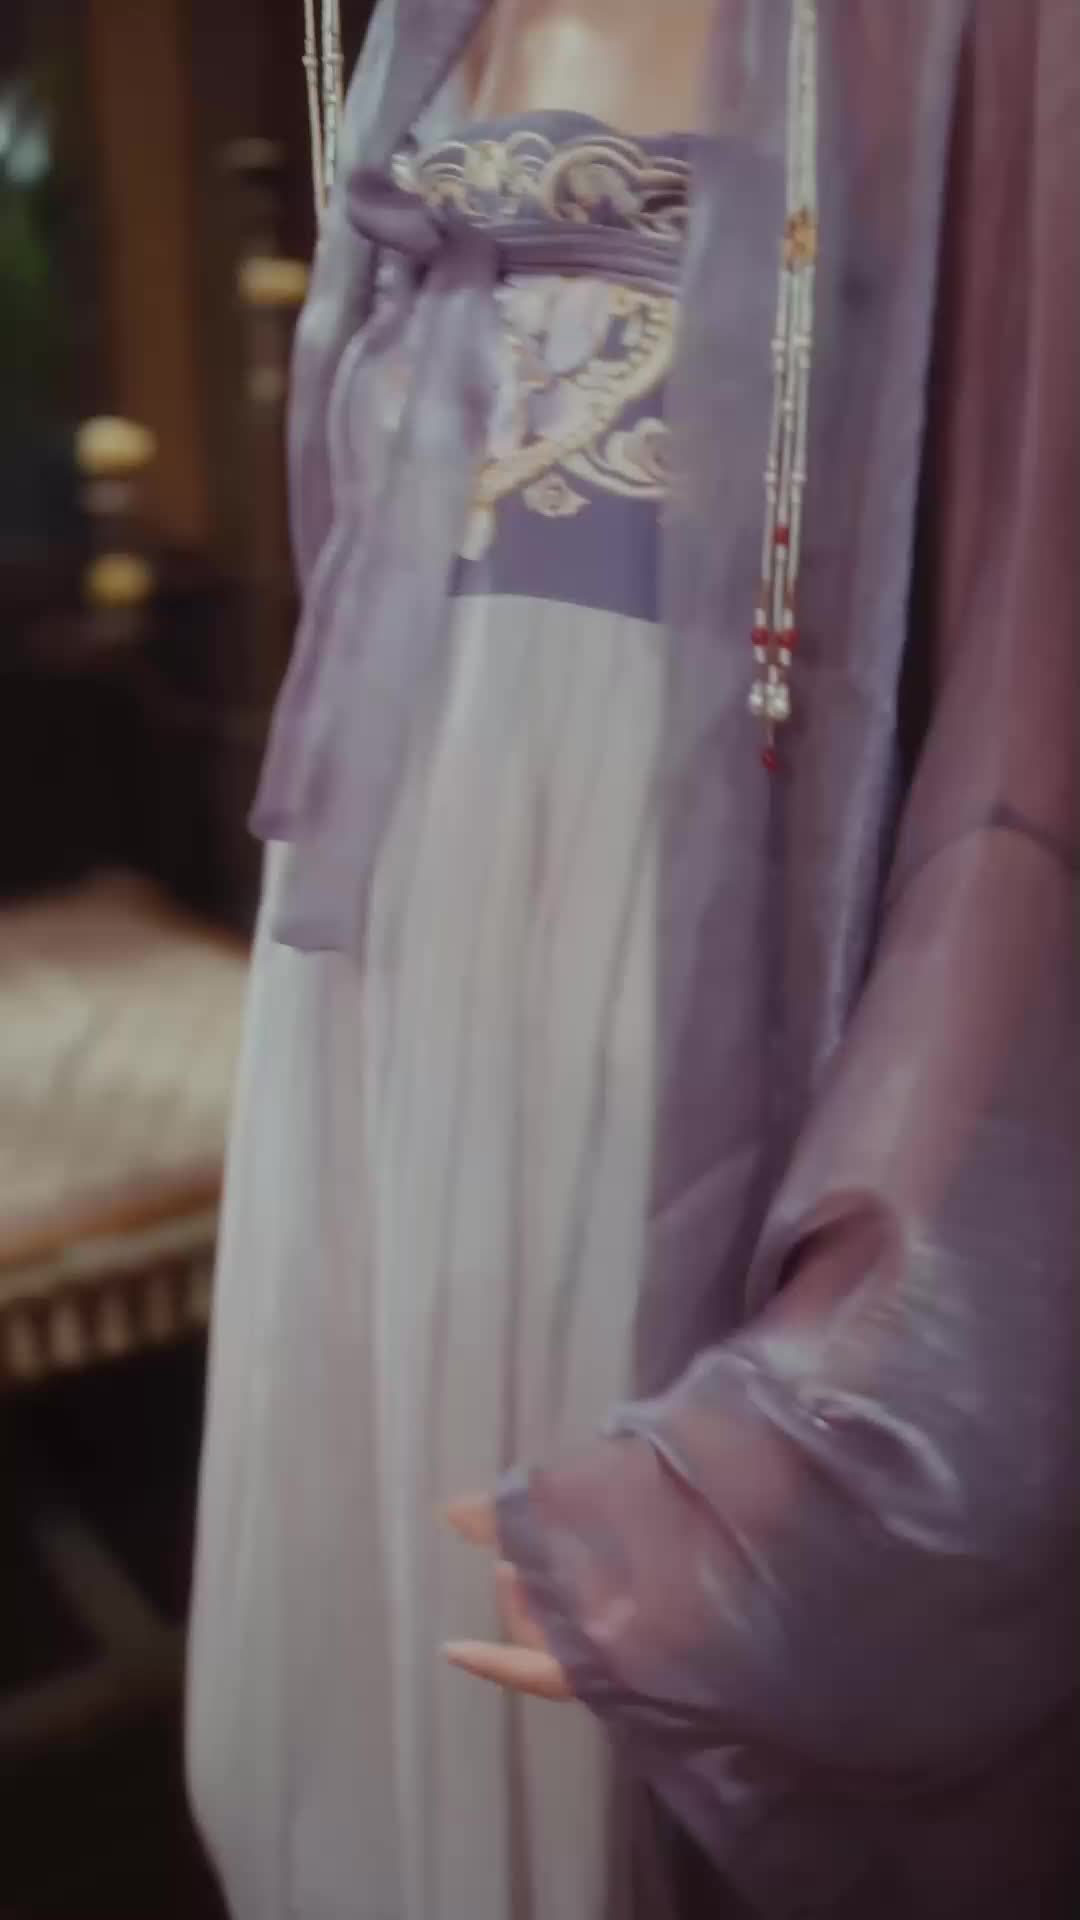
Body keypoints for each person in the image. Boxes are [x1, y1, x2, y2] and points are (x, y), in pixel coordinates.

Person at [186, 2, 1079, 1916]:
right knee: (381, 1534)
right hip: (384, 869)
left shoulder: (963, 43)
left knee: (578, 1564)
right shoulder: (412, 26)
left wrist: (824, 1431)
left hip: (683, 887)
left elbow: (1026, 675)